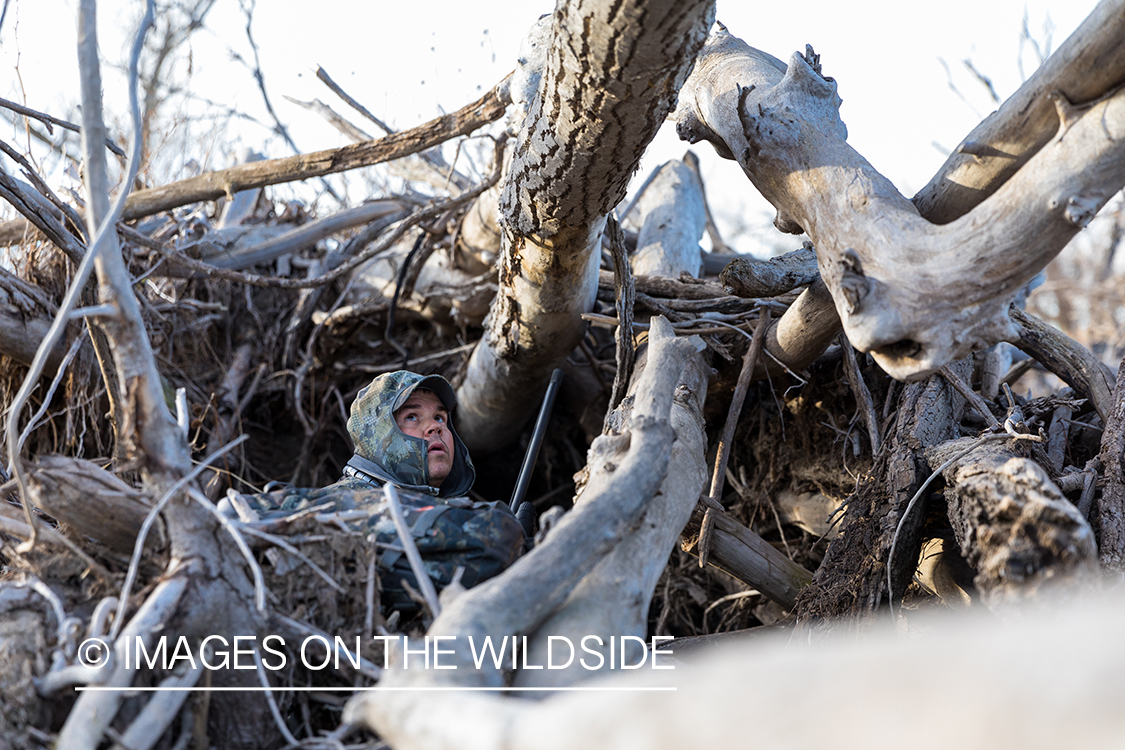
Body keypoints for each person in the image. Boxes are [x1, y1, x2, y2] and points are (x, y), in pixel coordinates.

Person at [341, 370, 476, 498]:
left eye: (439, 418)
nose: (435, 426)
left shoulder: (439, 511)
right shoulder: (341, 504)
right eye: (411, 417)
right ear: (377, 435)